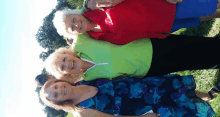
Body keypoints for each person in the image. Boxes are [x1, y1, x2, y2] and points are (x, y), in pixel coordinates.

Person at [45, 33, 220, 82]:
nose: (67, 63)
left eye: (63, 58)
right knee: (191, 62)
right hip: (150, 68)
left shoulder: (82, 42)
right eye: (62, 67)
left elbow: (84, 17)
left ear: (66, 53)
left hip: (151, 44)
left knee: (192, 45)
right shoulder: (90, 78)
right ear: (66, 74)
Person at [53, 0, 220, 44]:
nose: (76, 25)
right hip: (163, 27)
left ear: (75, 13)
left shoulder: (97, 3)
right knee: (200, 16)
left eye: (73, 19)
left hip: (166, 5)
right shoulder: (96, 37)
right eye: (72, 28)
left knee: (211, 2)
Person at [40, 74, 220, 117]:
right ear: (60, 102)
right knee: (175, 106)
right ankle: (203, 106)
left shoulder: (80, 79)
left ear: (58, 81)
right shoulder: (82, 111)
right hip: (140, 106)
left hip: (141, 86)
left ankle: (208, 95)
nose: (59, 90)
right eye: (55, 95)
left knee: (177, 89)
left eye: (55, 87)